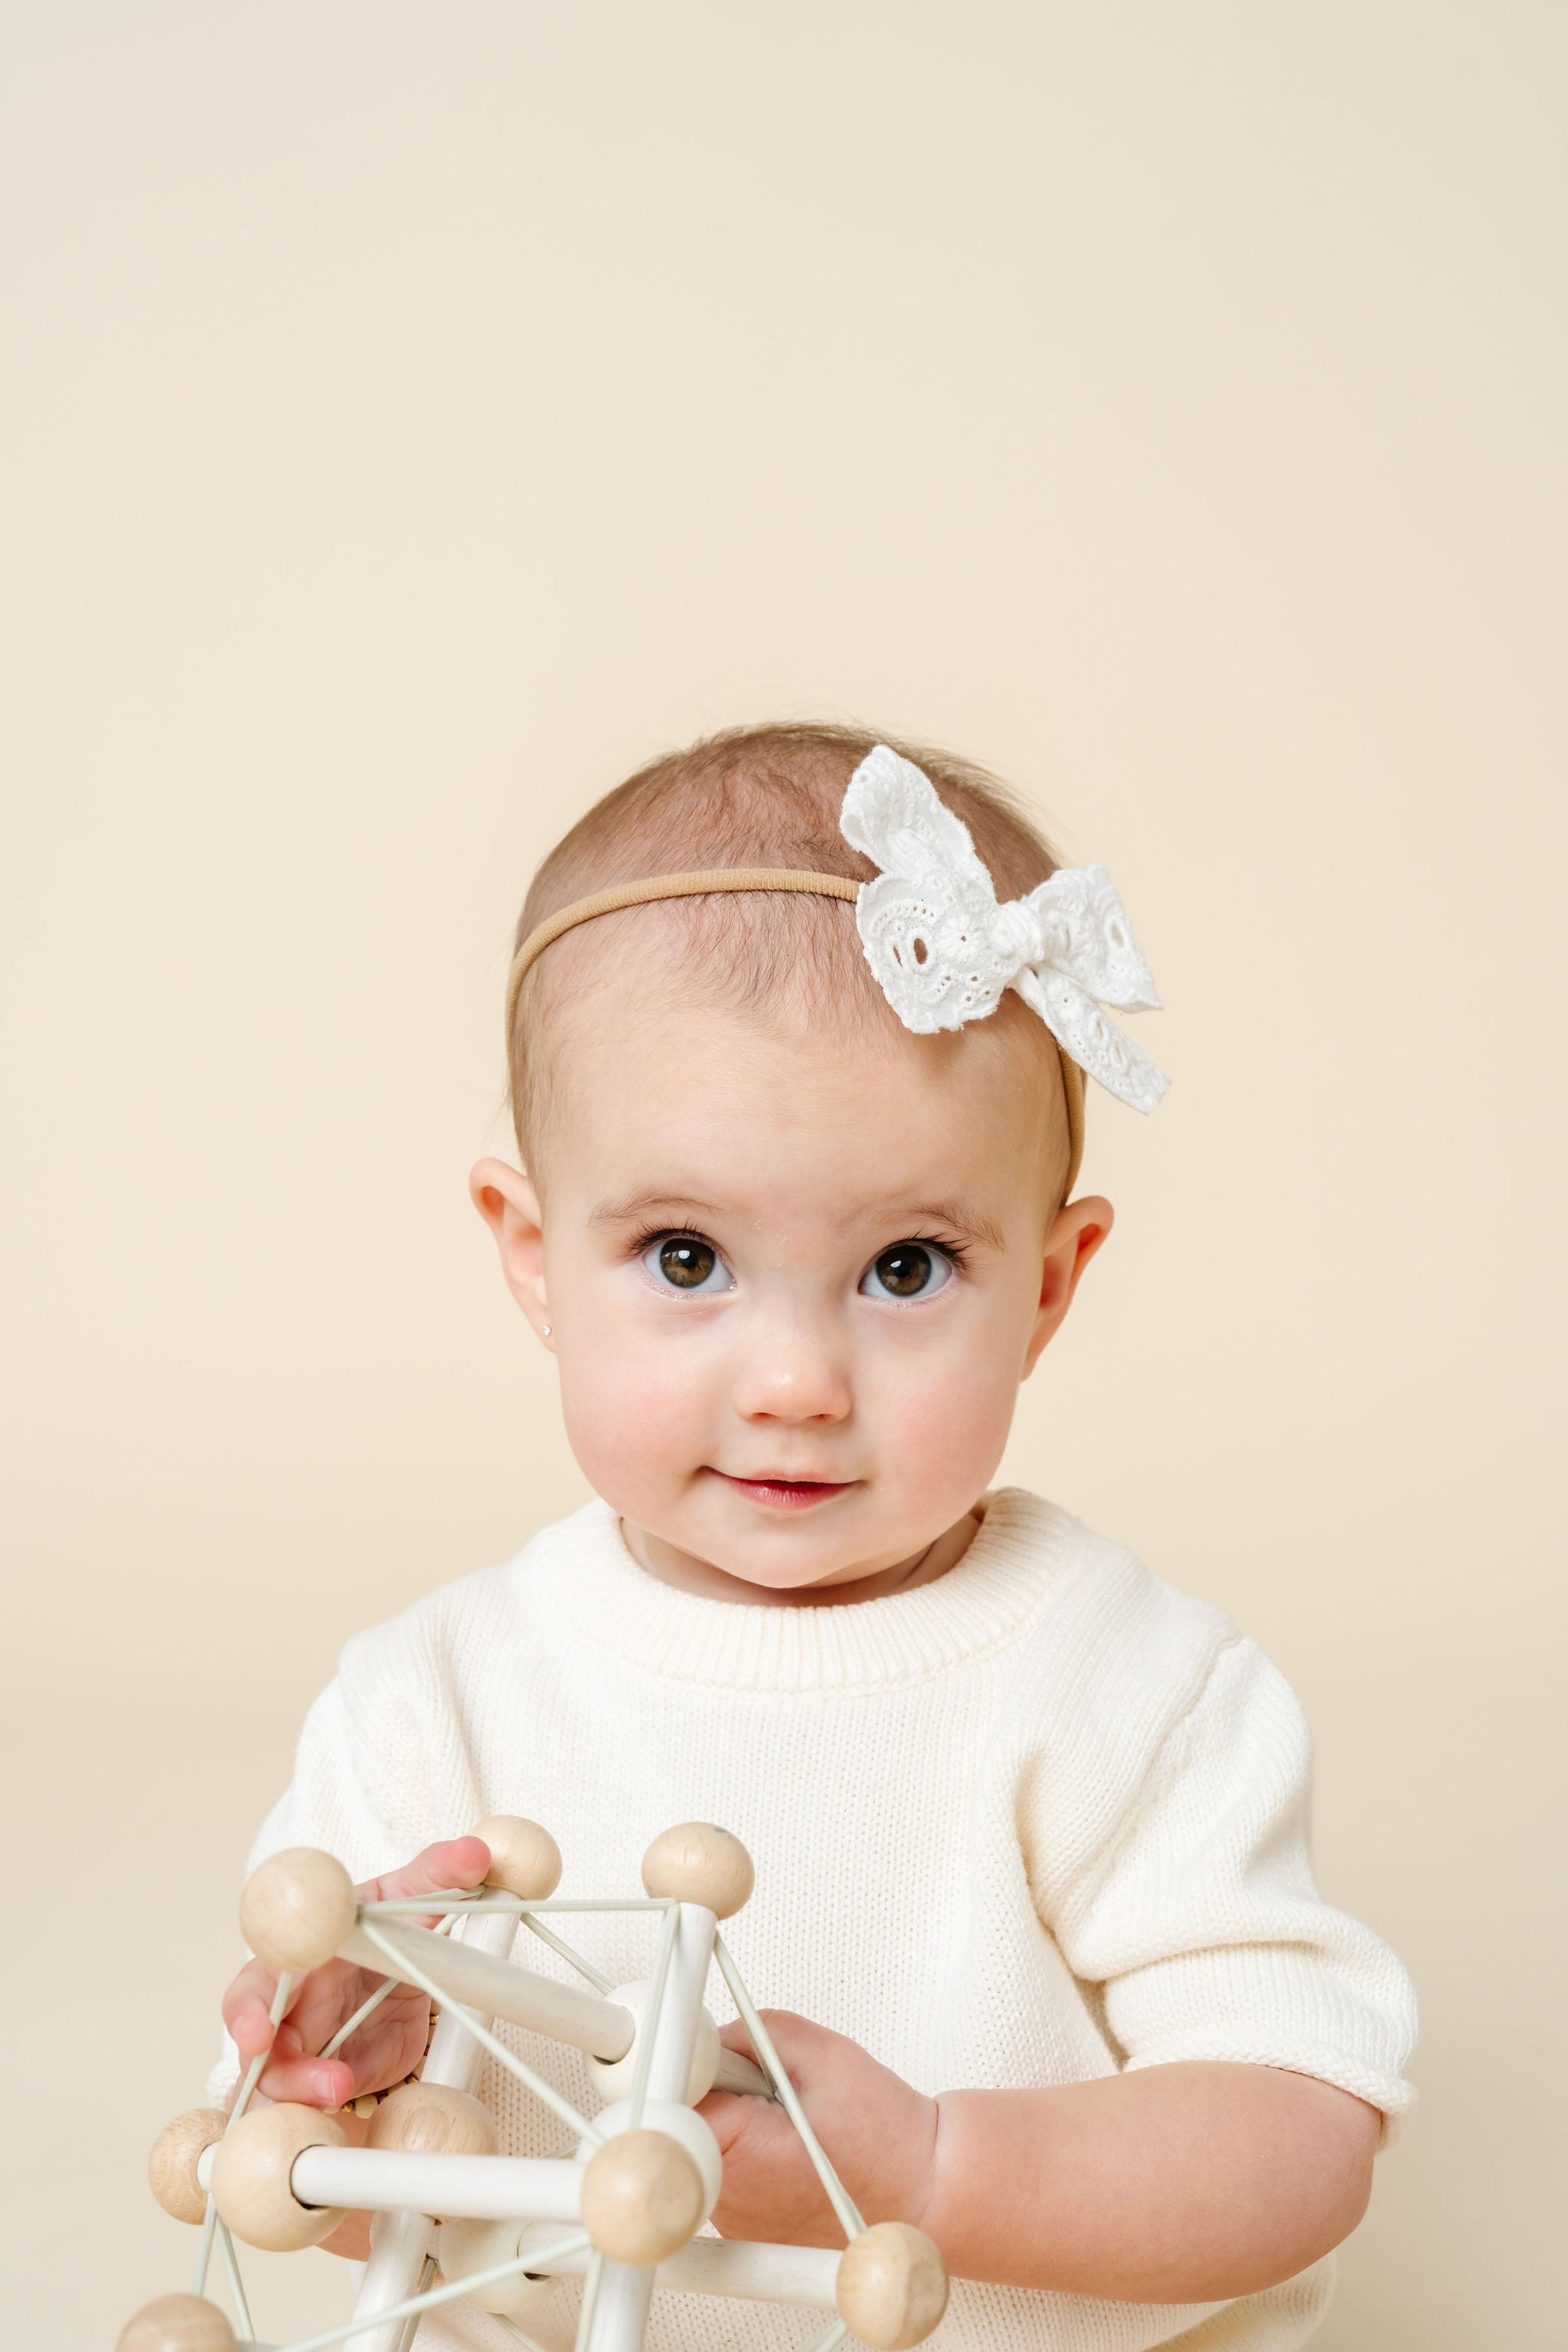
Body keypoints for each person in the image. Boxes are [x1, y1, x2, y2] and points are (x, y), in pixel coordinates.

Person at [214, 723, 1416, 2350]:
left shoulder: (1126, 1681)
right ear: (533, 1255)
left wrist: (939, 2163)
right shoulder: (431, 1695)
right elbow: (321, 2185)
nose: (793, 1385)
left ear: (1048, 1288)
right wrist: (328, 2074)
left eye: (906, 1268)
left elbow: (1299, 2133)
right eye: (687, 1256)